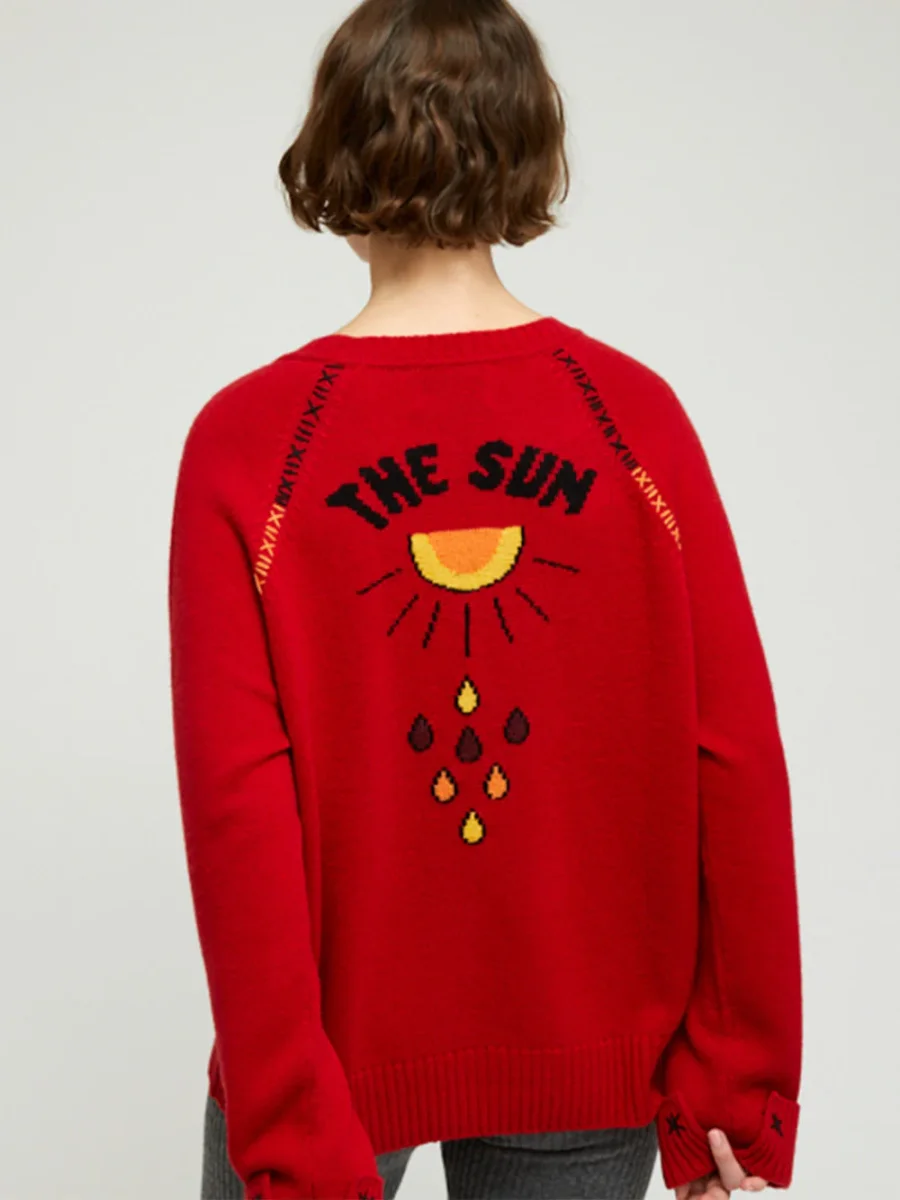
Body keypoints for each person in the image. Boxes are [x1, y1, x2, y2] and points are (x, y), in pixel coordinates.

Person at [167, 1, 803, 1197]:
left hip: (329, 1060)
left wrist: (289, 1126)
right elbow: (735, 757)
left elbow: (235, 806)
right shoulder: (633, 420)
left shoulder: (250, 445)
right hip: (585, 1038)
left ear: (333, 146)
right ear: (527, 145)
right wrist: (740, 1086)